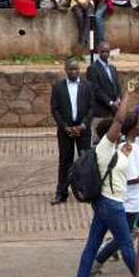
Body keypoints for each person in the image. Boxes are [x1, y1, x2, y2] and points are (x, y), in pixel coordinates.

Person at [75, 91, 137, 277]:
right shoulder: (105, 147)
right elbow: (119, 120)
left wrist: (128, 147)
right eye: (114, 130)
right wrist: (128, 95)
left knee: (92, 245)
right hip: (112, 204)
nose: (118, 131)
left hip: (103, 203)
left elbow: (119, 164)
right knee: (126, 245)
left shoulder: (115, 150)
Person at [91, 107, 139, 275]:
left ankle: (98, 261)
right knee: (125, 239)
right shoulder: (127, 149)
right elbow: (130, 179)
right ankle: (99, 261)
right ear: (131, 129)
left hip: (137, 200)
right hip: (130, 202)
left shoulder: (133, 146)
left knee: (124, 237)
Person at [51, 58, 95, 205]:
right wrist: (65, 127)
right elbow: (55, 109)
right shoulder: (58, 87)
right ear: (65, 70)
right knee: (65, 161)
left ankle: (86, 190)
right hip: (65, 131)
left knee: (85, 161)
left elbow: (91, 108)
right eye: (70, 69)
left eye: (76, 69)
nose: (74, 71)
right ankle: (61, 193)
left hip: (83, 129)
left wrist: (83, 125)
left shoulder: (87, 86)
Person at [86, 42, 121, 144]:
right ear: (98, 52)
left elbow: (117, 86)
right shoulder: (93, 69)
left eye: (107, 51)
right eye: (103, 51)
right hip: (101, 111)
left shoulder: (112, 68)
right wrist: (110, 103)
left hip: (114, 112)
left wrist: (118, 99)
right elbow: (96, 90)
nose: (105, 54)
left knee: (113, 139)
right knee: (100, 140)